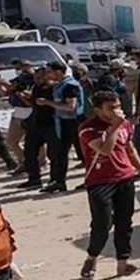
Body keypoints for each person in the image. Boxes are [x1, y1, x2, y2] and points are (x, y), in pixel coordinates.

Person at [77, 90, 140, 280]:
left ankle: (123, 262)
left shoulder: (125, 125)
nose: (116, 111)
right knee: (102, 224)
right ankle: (92, 256)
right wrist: (113, 128)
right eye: (111, 108)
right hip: (100, 181)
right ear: (98, 110)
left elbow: (130, 150)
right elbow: (105, 149)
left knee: (124, 222)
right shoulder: (88, 129)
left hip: (124, 177)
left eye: (117, 106)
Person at [37, 61, 83, 194]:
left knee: (83, 153)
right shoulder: (59, 86)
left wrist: (48, 103)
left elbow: (70, 106)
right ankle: (59, 182)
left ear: (58, 71)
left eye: (49, 71)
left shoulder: (70, 86)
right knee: (60, 153)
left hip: (74, 122)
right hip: (63, 122)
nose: (47, 74)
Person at [20, 66, 55, 190]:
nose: (37, 79)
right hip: (36, 124)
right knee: (29, 152)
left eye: (39, 77)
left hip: (51, 124)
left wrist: (47, 102)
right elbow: (34, 104)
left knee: (54, 155)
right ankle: (34, 179)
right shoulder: (36, 88)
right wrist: (23, 97)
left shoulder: (54, 88)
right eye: (35, 77)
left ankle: (55, 181)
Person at [4, 59, 36, 172]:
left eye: (20, 68)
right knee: (11, 140)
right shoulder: (19, 79)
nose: (19, 71)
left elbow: (31, 99)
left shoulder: (36, 79)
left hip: (31, 111)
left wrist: (21, 94)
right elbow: (5, 92)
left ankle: (41, 162)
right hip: (18, 111)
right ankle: (24, 161)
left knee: (35, 140)